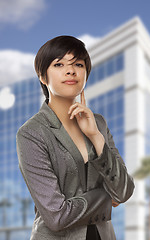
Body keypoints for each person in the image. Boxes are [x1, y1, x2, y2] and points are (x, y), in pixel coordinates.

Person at [16, 35, 135, 240]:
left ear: (86, 73)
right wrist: (106, 198)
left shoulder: (98, 124)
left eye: (78, 64)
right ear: (43, 77)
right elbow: (56, 216)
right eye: (59, 64)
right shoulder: (31, 134)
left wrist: (95, 136)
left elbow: (124, 191)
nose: (70, 70)